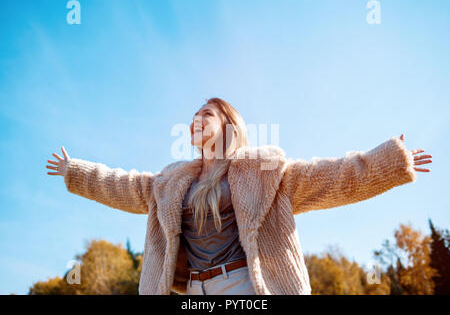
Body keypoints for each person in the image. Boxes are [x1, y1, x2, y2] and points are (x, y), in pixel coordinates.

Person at [46, 97, 432, 295]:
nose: (196, 119)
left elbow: (331, 177)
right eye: (194, 114)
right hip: (195, 289)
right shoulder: (169, 182)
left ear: (230, 125)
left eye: (207, 114)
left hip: (246, 287)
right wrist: (74, 171)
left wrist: (390, 162)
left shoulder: (262, 171)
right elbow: (121, 184)